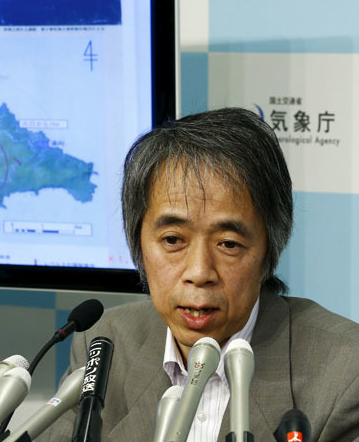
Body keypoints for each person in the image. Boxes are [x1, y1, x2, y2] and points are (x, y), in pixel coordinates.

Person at [37, 108, 359, 441]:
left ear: (268, 249)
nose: (199, 272)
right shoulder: (106, 343)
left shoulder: (345, 372)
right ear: (138, 242)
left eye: (229, 244)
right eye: (173, 240)